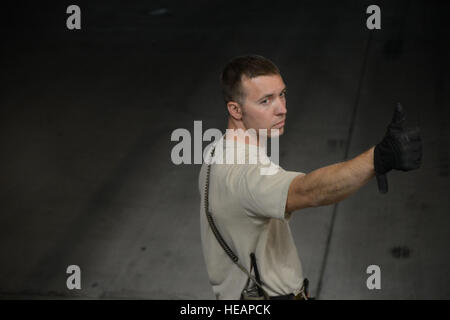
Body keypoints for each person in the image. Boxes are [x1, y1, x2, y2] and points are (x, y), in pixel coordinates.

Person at [198, 55, 422, 300]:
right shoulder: (245, 174)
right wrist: (378, 158)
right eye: (265, 101)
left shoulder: (217, 151)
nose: (282, 108)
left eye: (282, 94)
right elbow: (308, 191)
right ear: (235, 109)